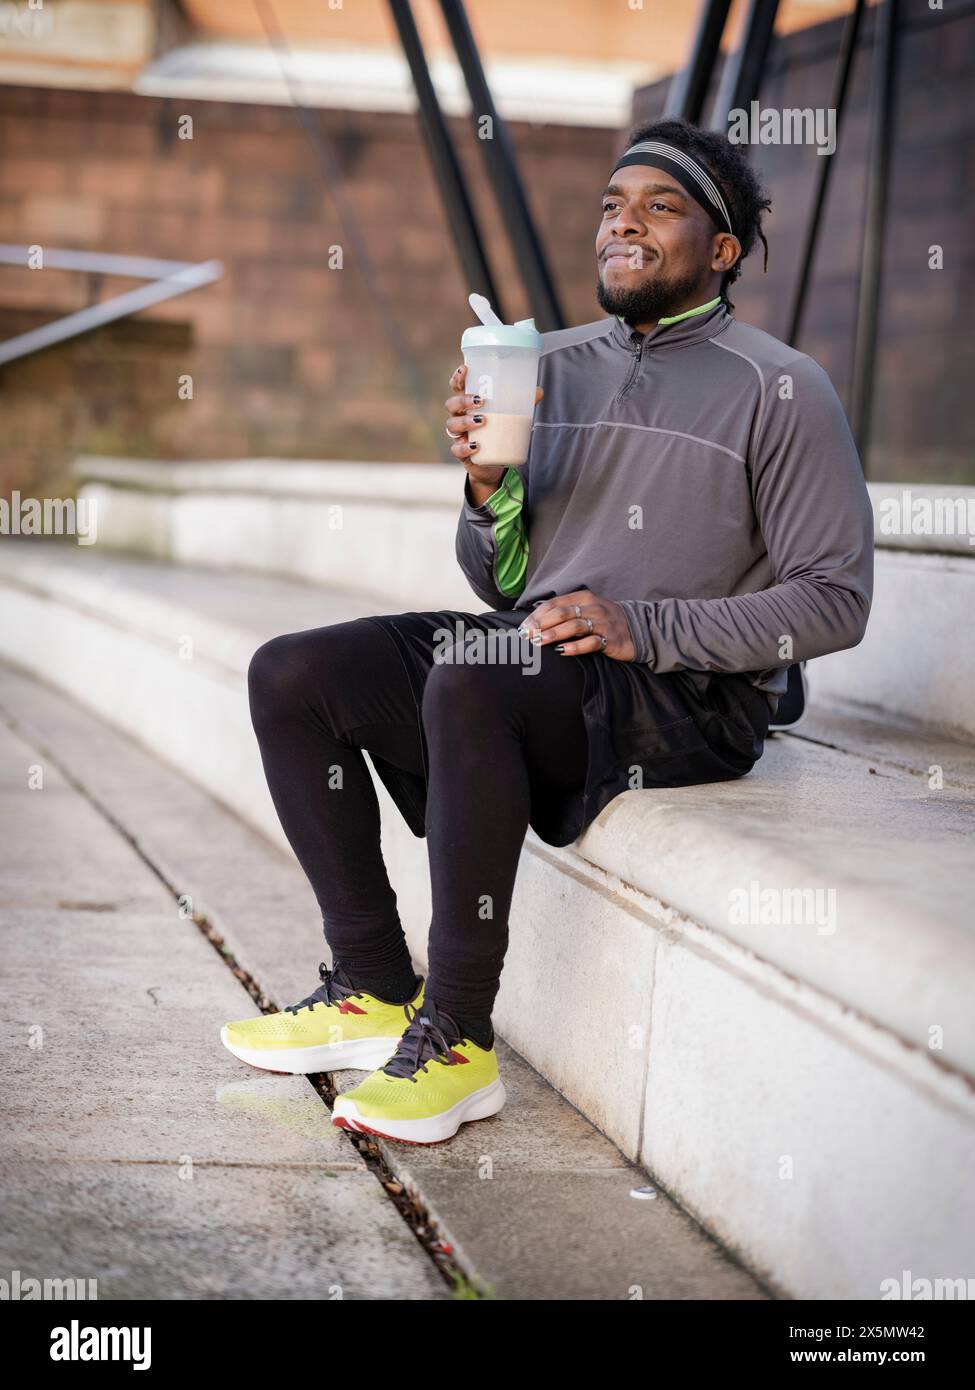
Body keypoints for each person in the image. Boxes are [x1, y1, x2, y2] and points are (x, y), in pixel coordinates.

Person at [220, 116, 874, 1145]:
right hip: (541, 656)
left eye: (661, 208)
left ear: (722, 249)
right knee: (294, 672)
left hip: (686, 694)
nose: (626, 225)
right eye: (613, 207)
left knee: (472, 680)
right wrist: (487, 488)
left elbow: (835, 600)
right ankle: (374, 985)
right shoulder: (548, 366)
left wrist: (639, 624)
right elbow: (500, 579)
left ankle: (458, 1038)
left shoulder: (781, 388)